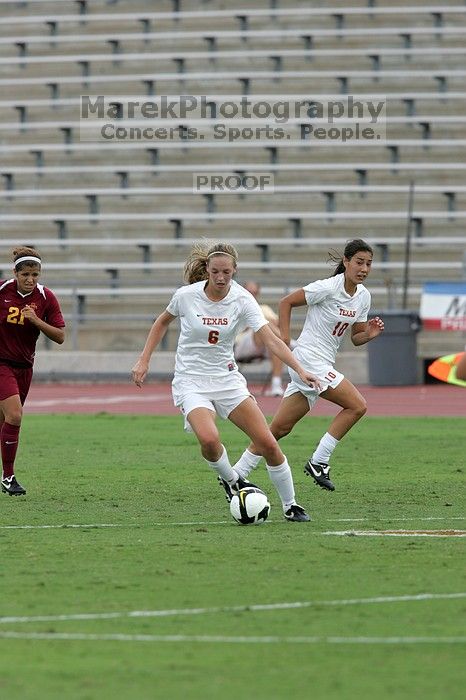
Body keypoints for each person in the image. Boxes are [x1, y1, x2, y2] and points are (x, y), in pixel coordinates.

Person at [131, 241, 322, 522]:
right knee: (209, 439)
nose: (221, 278)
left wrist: (300, 368)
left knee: (267, 443)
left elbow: (271, 338)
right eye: (216, 271)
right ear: (207, 269)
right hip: (191, 381)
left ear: (235, 271)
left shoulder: (243, 299)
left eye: (227, 272)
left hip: (227, 379)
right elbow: (161, 322)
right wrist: (143, 359)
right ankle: (235, 482)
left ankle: (291, 505)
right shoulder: (186, 296)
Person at [233, 238, 385, 492]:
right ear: (346, 262)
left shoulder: (363, 297)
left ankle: (237, 473)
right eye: (359, 262)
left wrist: (368, 334)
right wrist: (283, 337)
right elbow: (286, 302)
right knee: (357, 406)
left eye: (369, 264)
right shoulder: (327, 287)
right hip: (308, 360)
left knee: (279, 428)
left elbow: (356, 337)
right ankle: (319, 461)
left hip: (321, 363)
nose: (364, 269)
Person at [1, 246, 65, 495]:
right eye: (25, 274)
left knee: (4, 421)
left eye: (35, 275)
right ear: (15, 273)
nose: (30, 279)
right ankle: (8, 477)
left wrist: (37, 321)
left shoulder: (46, 297)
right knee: (15, 416)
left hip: (24, 367)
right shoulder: (2, 291)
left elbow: (60, 336)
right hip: (1, 363)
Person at [234, 280, 286, 396]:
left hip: (265, 344)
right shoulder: (236, 307)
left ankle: (276, 384)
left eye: (254, 292)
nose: (251, 294)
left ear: (257, 293)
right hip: (240, 345)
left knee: (274, 342)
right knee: (261, 327)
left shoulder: (264, 308)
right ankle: (289, 344)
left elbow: (277, 324)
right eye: (249, 292)